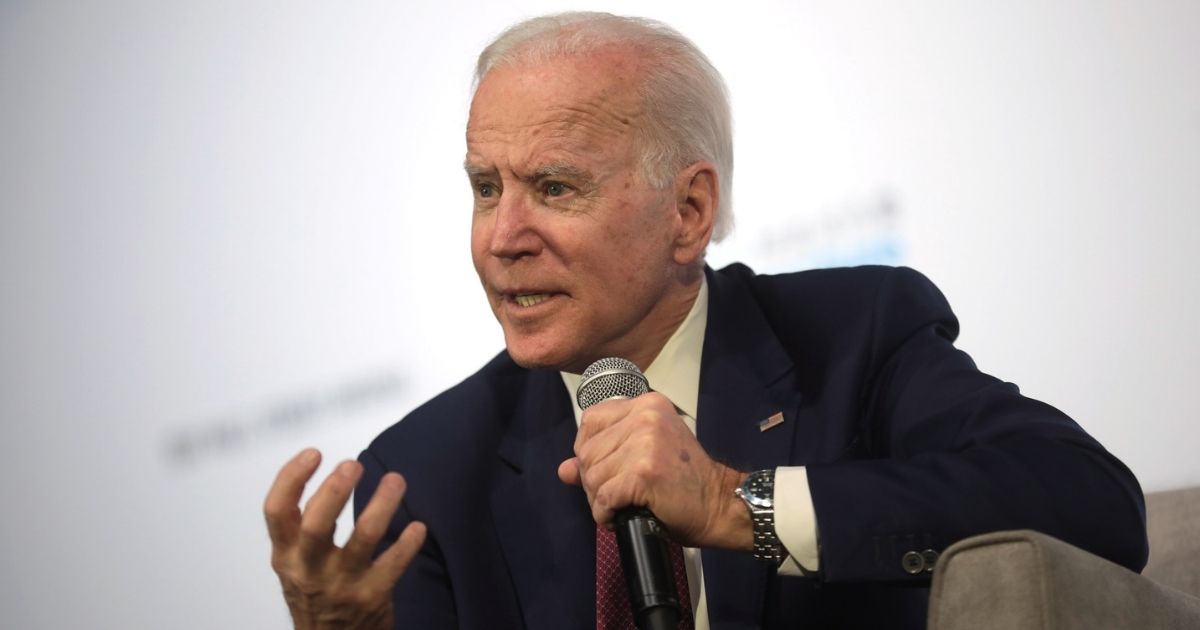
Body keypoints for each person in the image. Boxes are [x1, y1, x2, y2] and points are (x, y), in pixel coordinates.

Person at [264, 12, 1148, 630]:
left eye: (555, 188)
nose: (502, 238)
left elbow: (1095, 507)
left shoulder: (852, 340)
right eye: (485, 188)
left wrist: (738, 506)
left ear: (688, 212)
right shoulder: (424, 473)